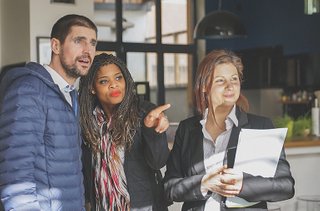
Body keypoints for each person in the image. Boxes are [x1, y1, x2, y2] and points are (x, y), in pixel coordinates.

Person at [163, 49, 295, 211]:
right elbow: (169, 188)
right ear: (204, 86)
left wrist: (243, 185)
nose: (230, 86)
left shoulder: (261, 126)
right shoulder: (187, 129)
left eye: (234, 79)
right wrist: (203, 183)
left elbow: (286, 187)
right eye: (220, 80)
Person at [0, 14, 97, 210]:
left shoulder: (70, 94)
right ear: (55, 46)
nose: (88, 51)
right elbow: (16, 175)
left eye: (93, 43)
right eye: (79, 41)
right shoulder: (29, 90)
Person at [79, 53, 171, 211]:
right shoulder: (87, 120)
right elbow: (86, 168)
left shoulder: (144, 112)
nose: (114, 85)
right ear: (92, 88)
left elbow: (158, 162)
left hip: (142, 206)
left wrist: (153, 131)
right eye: (104, 81)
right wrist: (87, 200)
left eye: (118, 78)